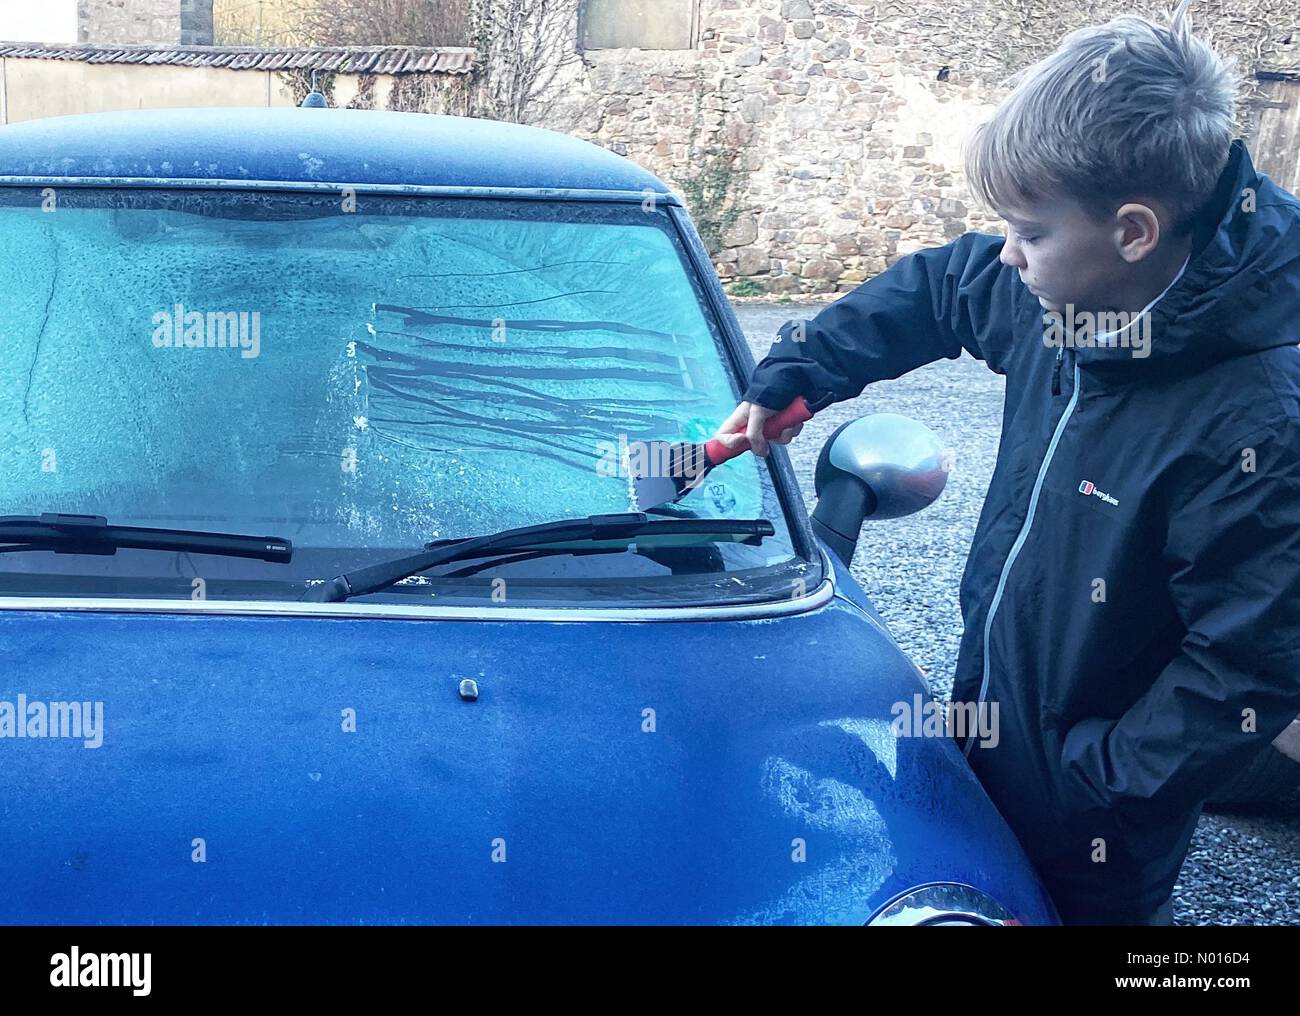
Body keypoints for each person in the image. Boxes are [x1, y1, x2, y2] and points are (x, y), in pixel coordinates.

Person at [714, 1, 1300, 925]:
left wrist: (1099, 780)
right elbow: (943, 288)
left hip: (1102, 822)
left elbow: (1253, 661)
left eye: (1027, 230)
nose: (1006, 252)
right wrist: (804, 372)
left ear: (1134, 231)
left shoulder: (1258, 420)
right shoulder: (1064, 286)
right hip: (999, 720)